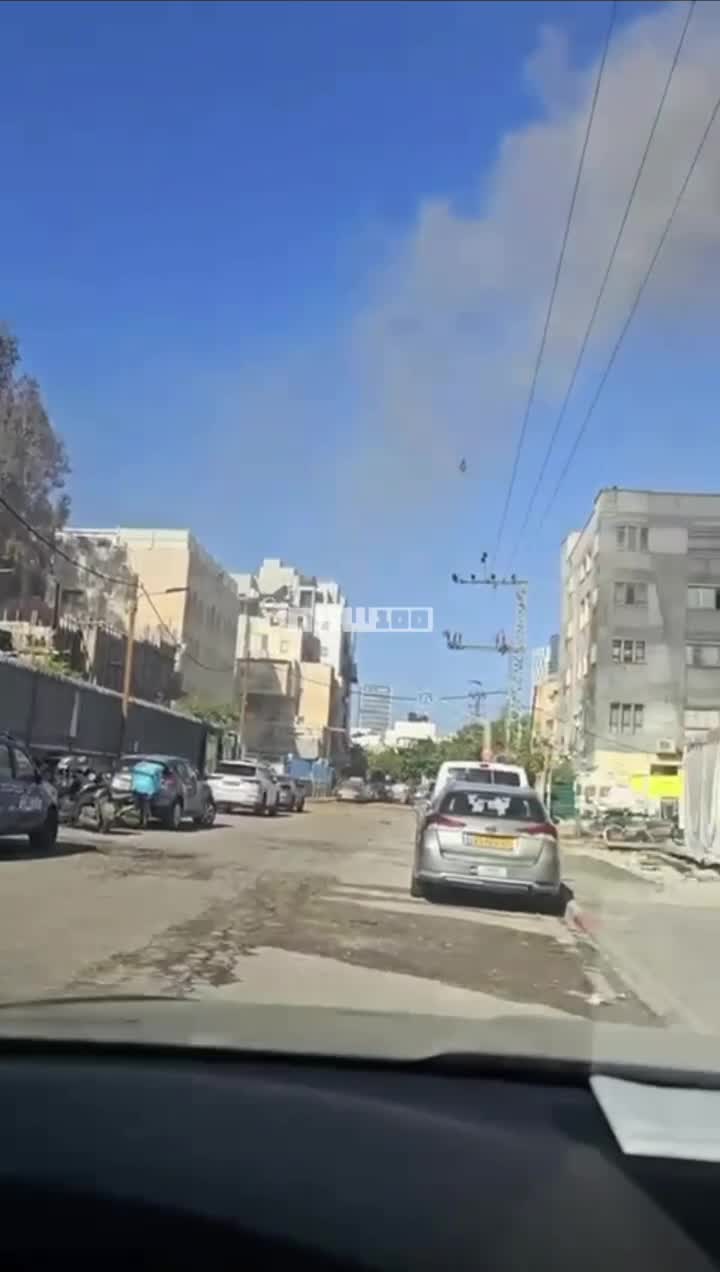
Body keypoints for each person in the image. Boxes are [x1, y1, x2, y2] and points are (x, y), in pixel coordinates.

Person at [129, 759, 164, 826]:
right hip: (148, 789)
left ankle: (138, 818)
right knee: (146, 804)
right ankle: (145, 819)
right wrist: (158, 789)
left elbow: (133, 776)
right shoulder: (157, 769)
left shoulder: (138, 767)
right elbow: (157, 781)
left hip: (136, 787)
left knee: (137, 804)